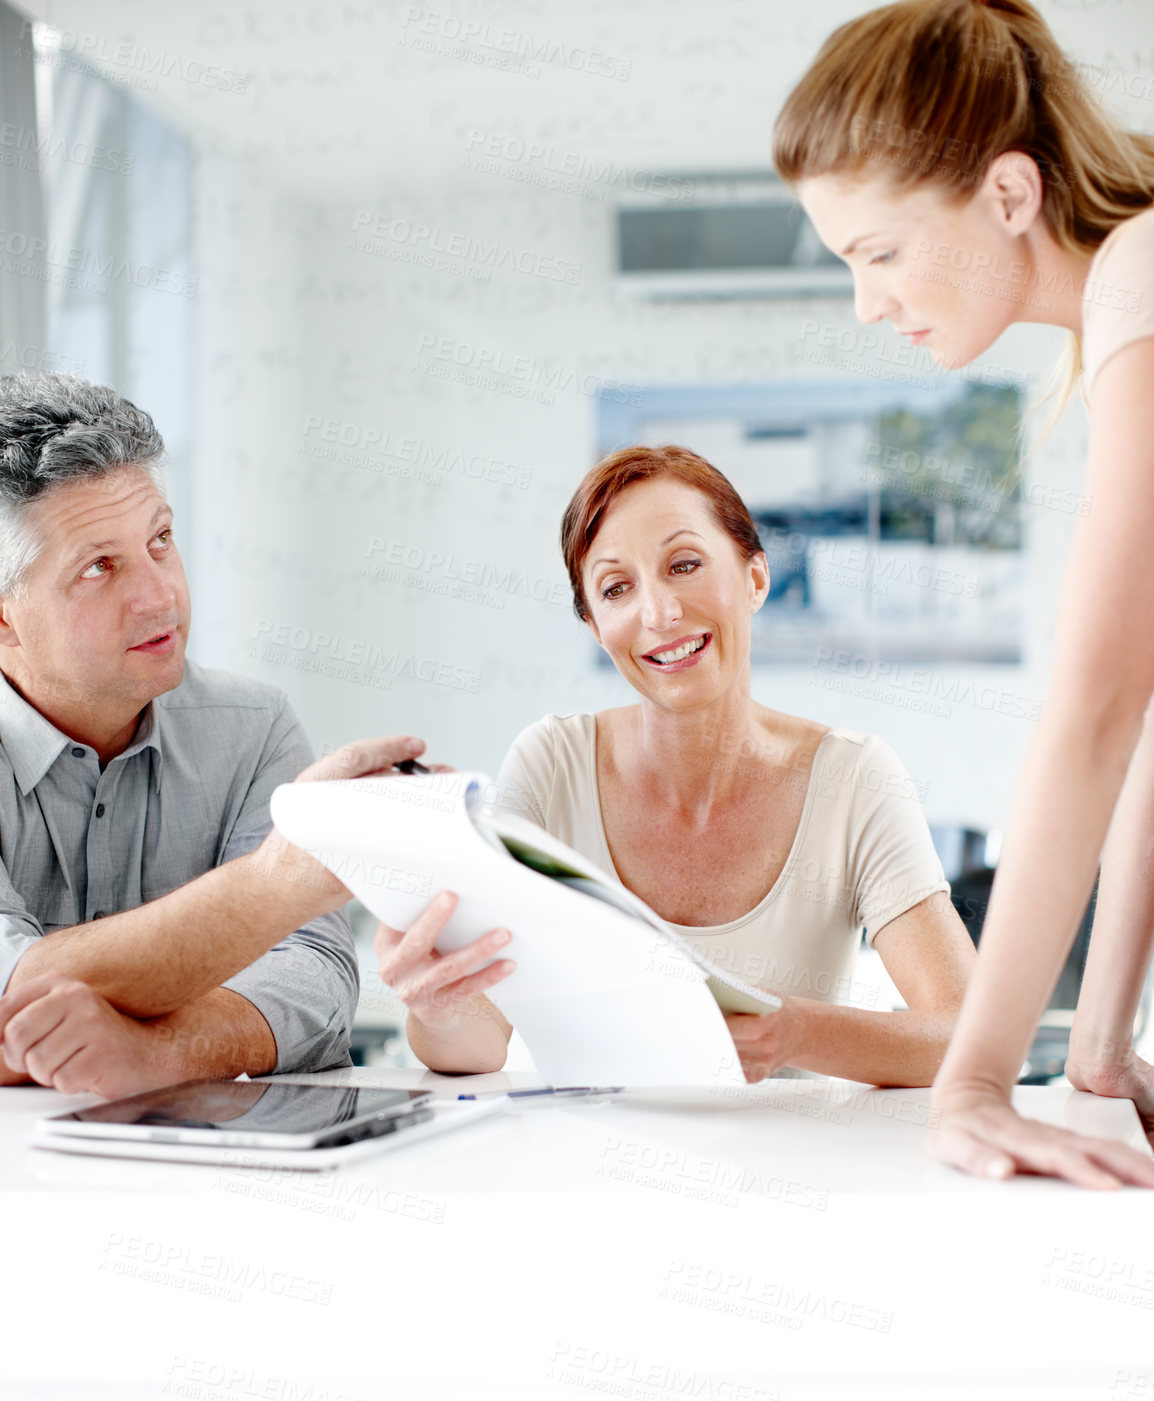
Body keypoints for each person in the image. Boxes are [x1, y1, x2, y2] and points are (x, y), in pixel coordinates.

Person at [771, 0, 1154, 1188]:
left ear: (1004, 194)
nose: (865, 304)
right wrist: (1093, 1047)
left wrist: (975, 1080)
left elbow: (1095, 700)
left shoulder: (1139, 270)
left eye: (876, 253)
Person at [375, 444, 975, 1081]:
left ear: (756, 578)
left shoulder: (855, 778)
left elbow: (964, 1035)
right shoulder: (552, 765)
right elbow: (480, 1043)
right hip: (583, 1163)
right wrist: (438, 1005)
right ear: (594, 626)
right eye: (616, 588)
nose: (658, 613)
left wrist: (791, 1035)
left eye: (684, 564)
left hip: (790, 1170)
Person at [0, 371, 428, 1097]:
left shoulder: (253, 728)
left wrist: (156, 1053)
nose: (160, 594)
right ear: (5, 619)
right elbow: (13, 1003)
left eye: (160, 540)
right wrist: (276, 883)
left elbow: (316, 982)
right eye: (100, 567)